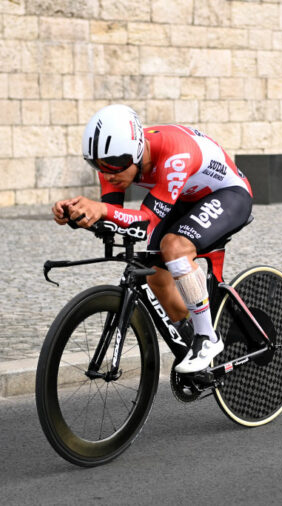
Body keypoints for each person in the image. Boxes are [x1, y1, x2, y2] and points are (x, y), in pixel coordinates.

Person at [51, 104, 253, 374]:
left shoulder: (174, 156)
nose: (109, 173)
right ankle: (189, 335)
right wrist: (78, 216)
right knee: (156, 275)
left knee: (175, 247)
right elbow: (113, 220)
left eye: (115, 165)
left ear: (136, 152)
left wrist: (100, 209)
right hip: (183, 196)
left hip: (229, 194)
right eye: (98, 166)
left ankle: (208, 338)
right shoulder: (115, 160)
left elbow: (145, 222)